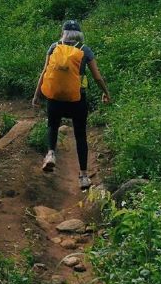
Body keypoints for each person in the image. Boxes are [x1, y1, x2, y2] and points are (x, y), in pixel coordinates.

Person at [32, 20, 111, 190]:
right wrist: (106, 92)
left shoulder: (54, 47)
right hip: (77, 99)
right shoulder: (84, 50)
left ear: (63, 32)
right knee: (80, 135)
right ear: (79, 35)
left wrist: (37, 94)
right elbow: (97, 77)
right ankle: (83, 176)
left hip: (54, 98)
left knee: (52, 125)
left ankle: (51, 154)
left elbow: (45, 71)